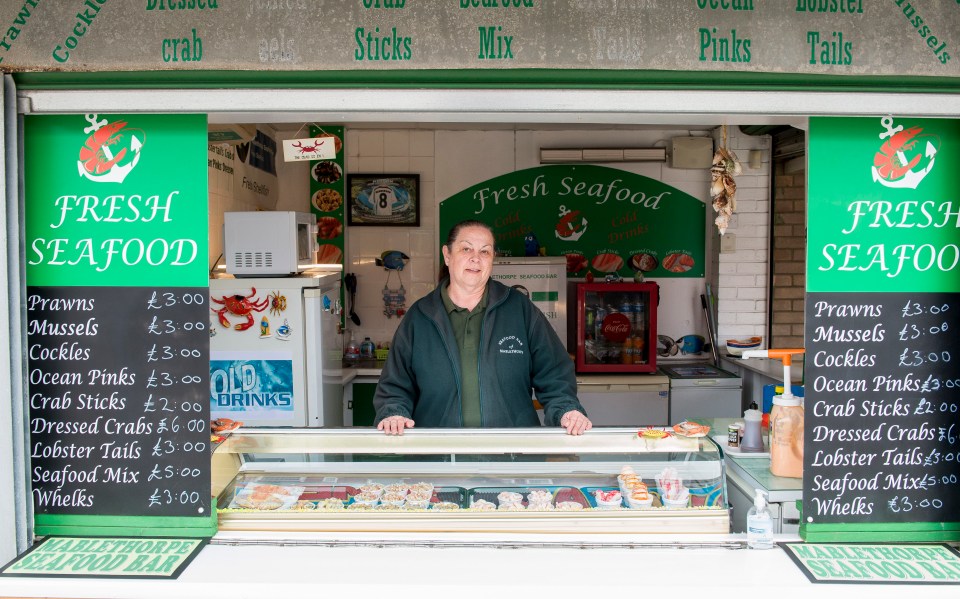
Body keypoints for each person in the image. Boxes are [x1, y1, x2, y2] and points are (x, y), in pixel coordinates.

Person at [374, 220, 592, 436]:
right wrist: (394, 412)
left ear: (492, 259)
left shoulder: (519, 308)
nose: (475, 258)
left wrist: (566, 410)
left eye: (485, 252)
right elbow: (395, 384)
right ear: (447, 255)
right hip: (438, 455)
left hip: (512, 456)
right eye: (466, 248)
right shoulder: (420, 316)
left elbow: (554, 372)